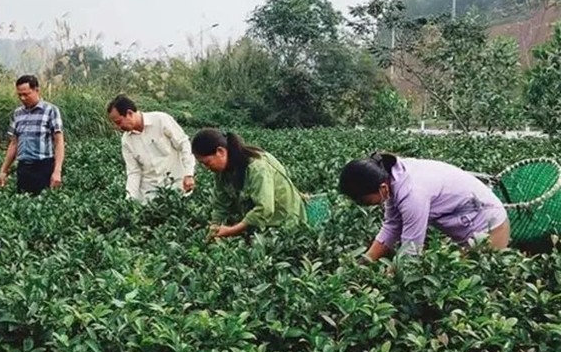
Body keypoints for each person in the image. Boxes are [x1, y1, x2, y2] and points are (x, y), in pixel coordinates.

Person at [338, 151, 511, 263]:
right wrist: (364, 263)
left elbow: (411, 251)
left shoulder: (413, 194)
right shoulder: (391, 177)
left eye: (364, 201)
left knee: (474, 284)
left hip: (490, 227)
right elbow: (391, 226)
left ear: (382, 188)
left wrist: (385, 284)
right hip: (467, 228)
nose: (365, 206)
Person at [191, 128, 307, 240]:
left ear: (220, 151)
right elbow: (221, 204)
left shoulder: (257, 167)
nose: (206, 168)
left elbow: (264, 209)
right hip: (261, 226)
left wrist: (231, 230)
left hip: (284, 222)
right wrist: (214, 227)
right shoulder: (221, 171)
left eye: (207, 162)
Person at [107, 94, 196, 203]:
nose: (117, 127)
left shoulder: (161, 120)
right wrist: (130, 199)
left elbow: (183, 144)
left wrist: (189, 174)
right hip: (150, 192)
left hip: (176, 185)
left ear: (129, 113)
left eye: (118, 122)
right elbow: (134, 171)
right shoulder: (126, 141)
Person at [0, 75, 65, 196]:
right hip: (23, 168)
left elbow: (59, 142)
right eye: (19, 95)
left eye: (26, 94)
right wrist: (3, 171)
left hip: (44, 167)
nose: (22, 98)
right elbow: (14, 144)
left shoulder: (51, 110)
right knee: (22, 206)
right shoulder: (17, 113)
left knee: (44, 206)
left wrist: (57, 171)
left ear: (37, 90)